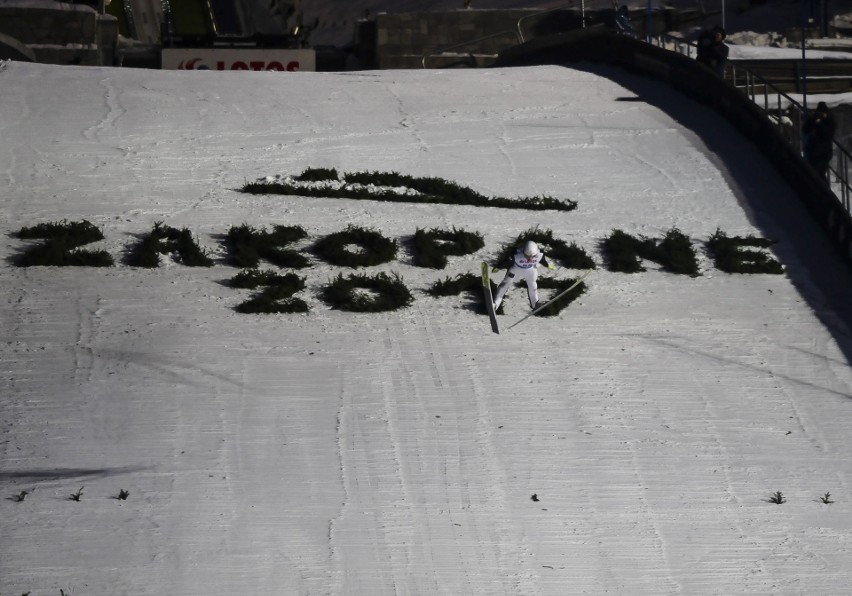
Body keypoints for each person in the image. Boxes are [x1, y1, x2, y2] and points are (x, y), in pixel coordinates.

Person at [492, 240, 555, 311]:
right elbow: (507, 261)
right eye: (527, 256)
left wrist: (548, 265)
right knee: (505, 284)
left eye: (532, 256)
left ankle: (535, 304)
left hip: (530, 270)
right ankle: (495, 303)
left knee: (533, 285)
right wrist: (499, 267)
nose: (530, 258)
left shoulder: (539, 255)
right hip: (516, 269)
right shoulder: (516, 254)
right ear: (523, 252)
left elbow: (542, 261)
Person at [802, 101, 836, 181]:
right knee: (813, 173)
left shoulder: (830, 121)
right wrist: (813, 120)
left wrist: (820, 124)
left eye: (823, 113)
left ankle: (824, 191)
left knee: (820, 173)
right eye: (820, 113)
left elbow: (828, 134)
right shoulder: (814, 119)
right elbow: (805, 129)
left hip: (824, 152)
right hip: (813, 151)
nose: (821, 115)